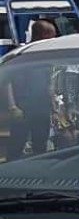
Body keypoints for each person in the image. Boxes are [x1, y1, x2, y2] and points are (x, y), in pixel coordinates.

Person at [6, 20, 59, 160]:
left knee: (40, 145)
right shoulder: (21, 53)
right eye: (51, 35)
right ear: (43, 35)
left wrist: (54, 106)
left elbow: (50, 82)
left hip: (42, 107)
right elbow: (7, 81)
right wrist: (12, 106)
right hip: (22, 106)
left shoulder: (47, 56)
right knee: (16, 144)